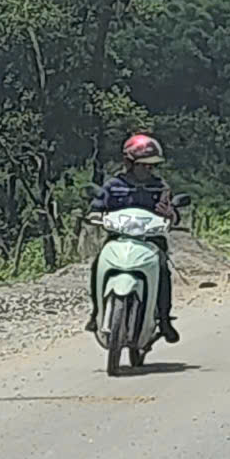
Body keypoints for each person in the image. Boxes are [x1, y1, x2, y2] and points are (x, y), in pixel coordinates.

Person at [87, 133, 181, 343]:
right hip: (118, 238)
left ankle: (164, 319)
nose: (148, 170)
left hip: (151, 241)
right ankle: (96, 312)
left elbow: (173, 213)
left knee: (163, 270)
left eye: (151, 166)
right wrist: (95, 214)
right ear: (130, 163)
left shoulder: (160, 186)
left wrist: (170, 214)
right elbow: (98, 206)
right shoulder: (114, 186)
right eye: (143, 165)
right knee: (96, 265)